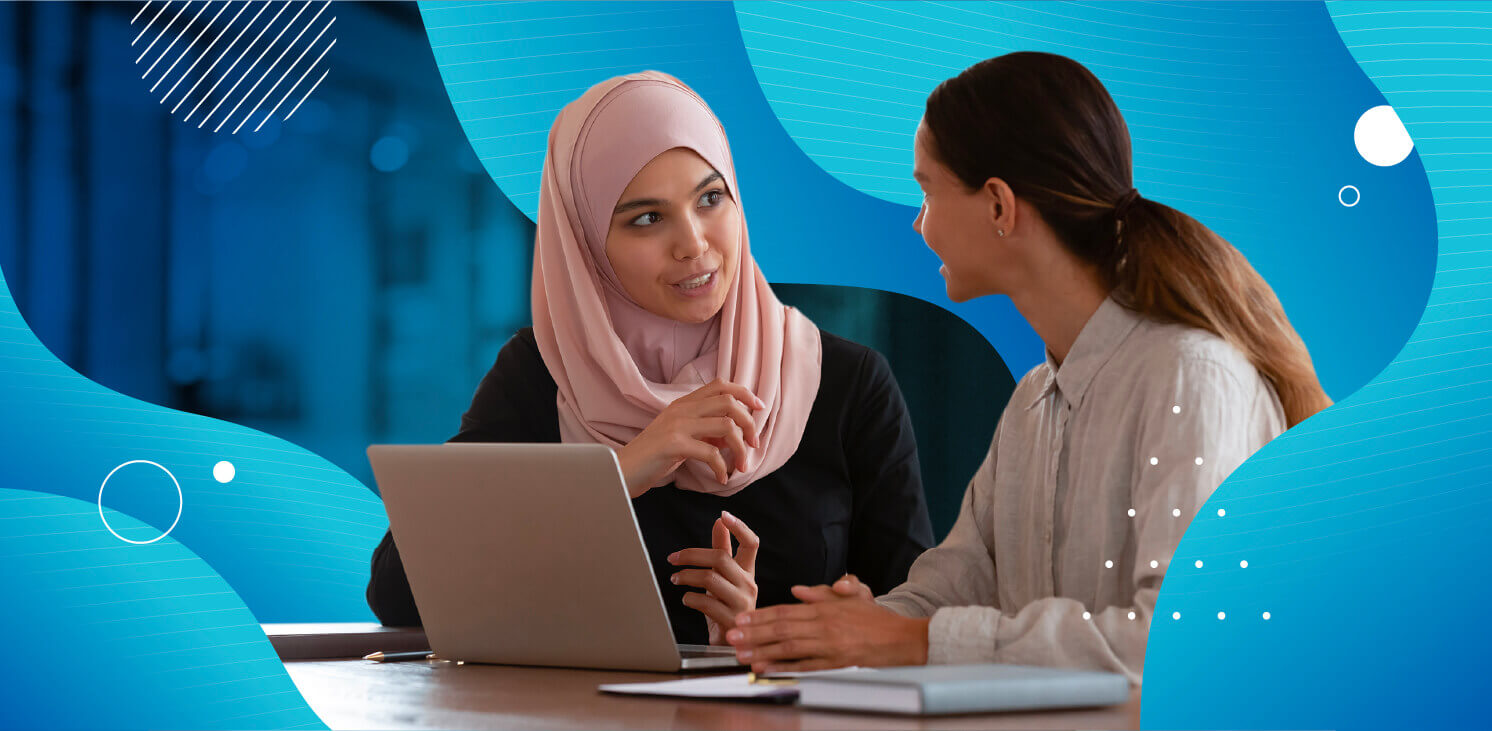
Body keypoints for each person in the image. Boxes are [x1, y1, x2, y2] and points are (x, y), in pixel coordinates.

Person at [725, 51, 1332, 683]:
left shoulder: (1192, 378)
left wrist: (911, 640)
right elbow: (951, 593)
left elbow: (1178, 639)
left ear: (998, 207)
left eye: (928, 190)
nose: (918, 222)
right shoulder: (1035, 400)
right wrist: (850, 625)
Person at [365, 71, 934, 646]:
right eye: (647, 218)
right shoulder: (544, 375)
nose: (693, 243)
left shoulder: (845, 384)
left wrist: (761, 637)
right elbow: (397, 595)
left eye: (711, 198)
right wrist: (619, 474)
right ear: (587, 243)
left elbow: (911, 620)